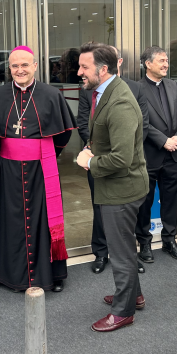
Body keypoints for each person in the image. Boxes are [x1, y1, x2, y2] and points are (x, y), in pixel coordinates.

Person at [0, 46, 75, 292]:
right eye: (15, 66)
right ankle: (6, 273)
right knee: (9, 219)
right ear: (9, 69)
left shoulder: (52, 94)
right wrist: (13, 153)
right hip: (8, 169)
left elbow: (63, 134)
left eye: (25, 65)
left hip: (42, 169)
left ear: (35, 66)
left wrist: (39, 153)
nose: (20, 70)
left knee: (44, 219)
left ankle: (51, 274)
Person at [75, 42, 149, 332]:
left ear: (103, 69)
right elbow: (104, 137)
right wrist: (91, 149)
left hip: (122, 189)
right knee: (124, 248)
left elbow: (121, 158)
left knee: (120, 253)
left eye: (84, 67)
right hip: (115, 187)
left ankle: (123, 311)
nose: (79, 72)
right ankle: (135, 295)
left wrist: (89, 163)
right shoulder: (104, 93)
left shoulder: (119, 102)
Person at [137, 46, 177, 261]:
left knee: (171, 200)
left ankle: (170, 240)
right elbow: (141, 121)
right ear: (148, 64)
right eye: (161, 60)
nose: (166, 64)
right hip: (150, 155)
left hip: (174, 154)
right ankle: (145, 243)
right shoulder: (136, 88)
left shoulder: (173, 86)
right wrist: (163, 141)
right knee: (145, 202)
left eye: (167, 60)